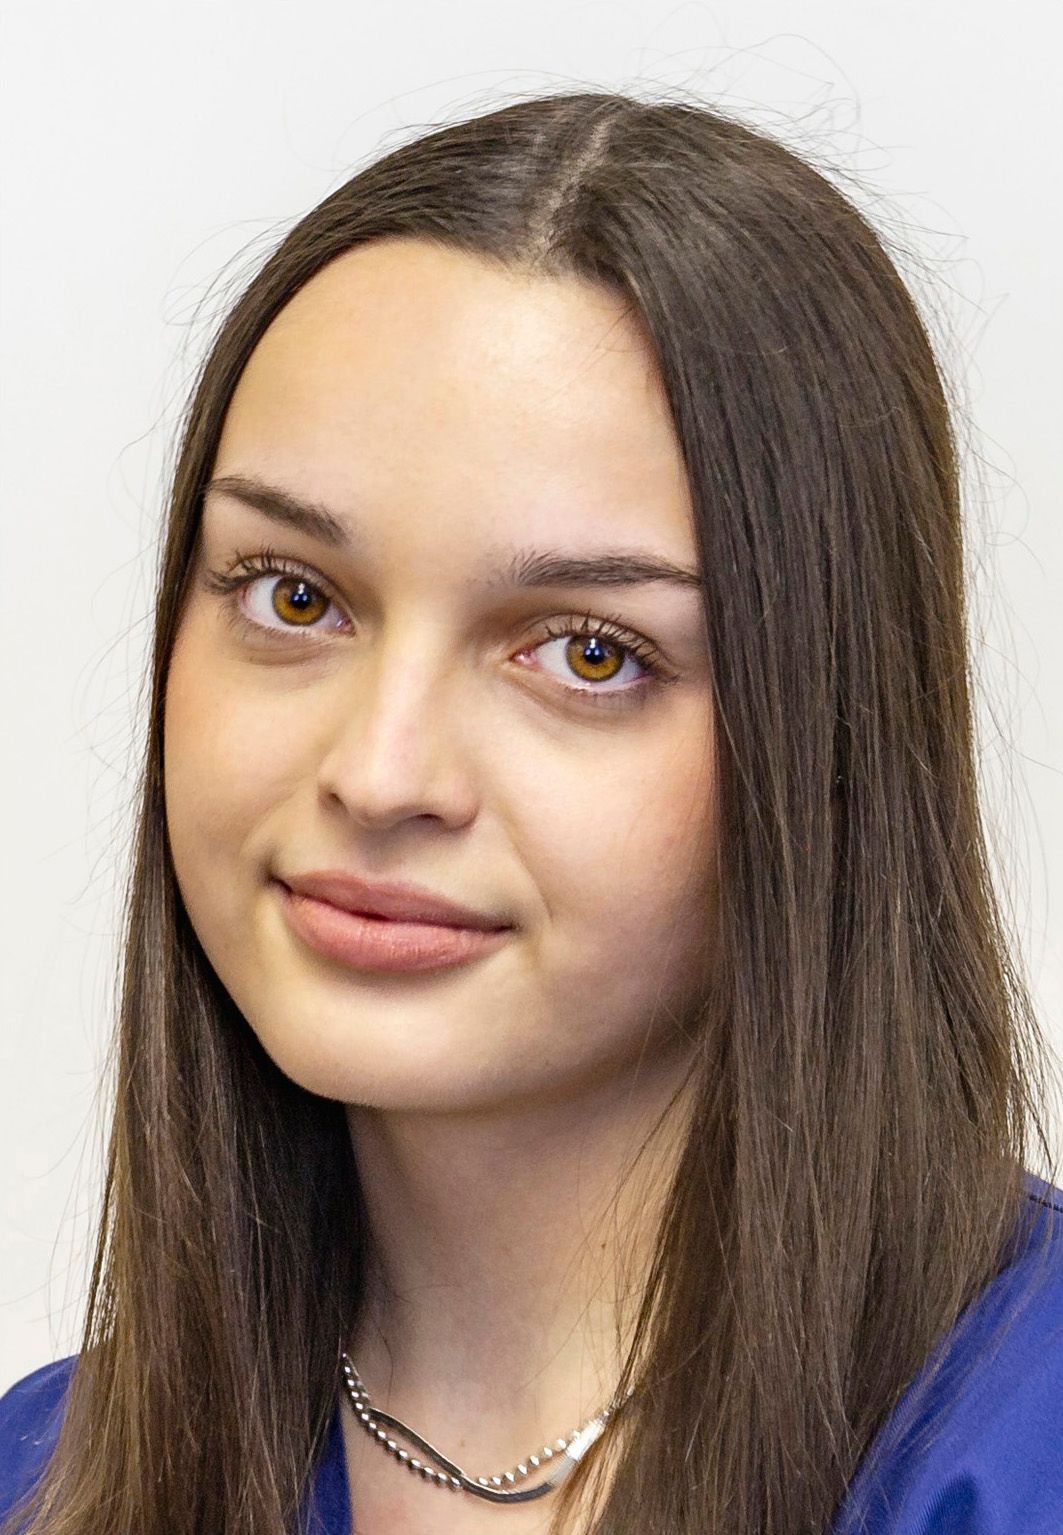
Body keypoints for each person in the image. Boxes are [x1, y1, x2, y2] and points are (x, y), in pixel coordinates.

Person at [1, 87, 1060, 1535]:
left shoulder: (1026, 1444)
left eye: (588, 653)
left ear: (830, 743)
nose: (381, 773)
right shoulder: (43, 1478)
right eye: (295, 597)